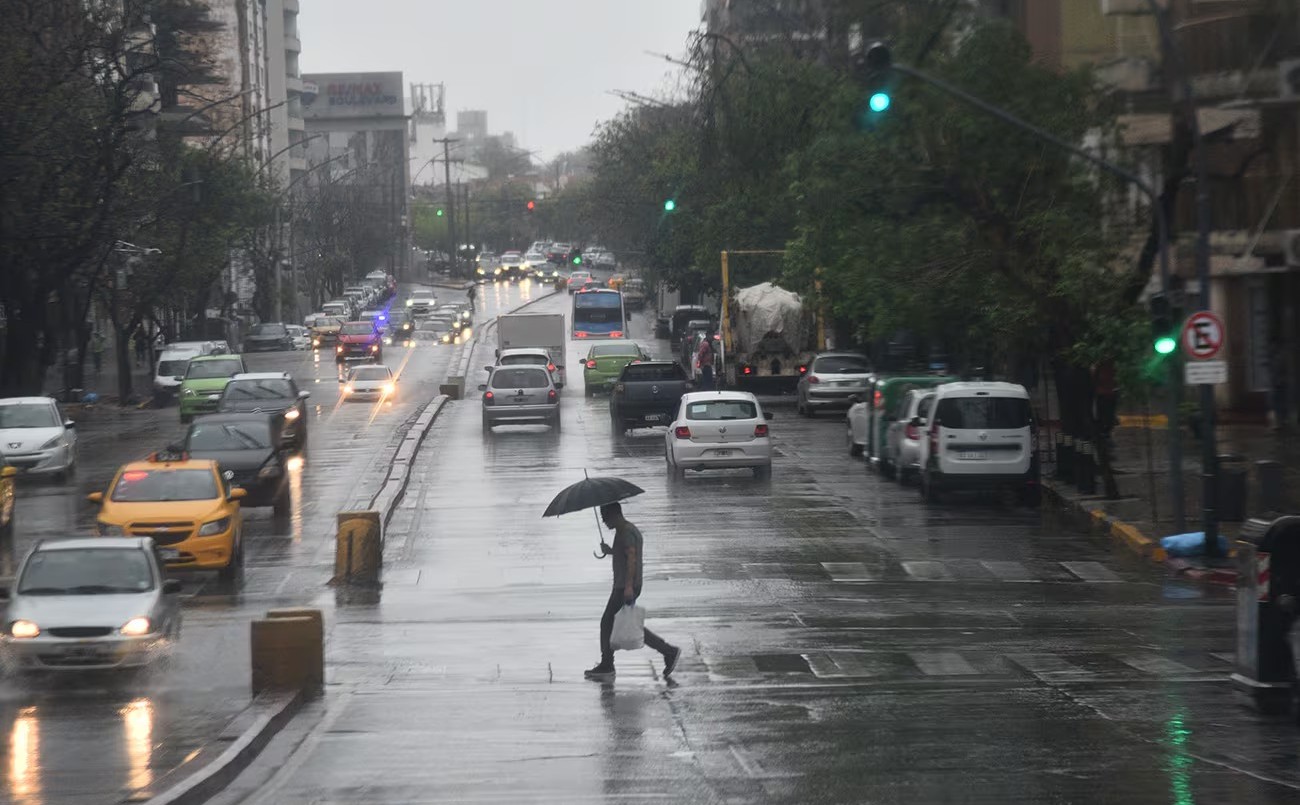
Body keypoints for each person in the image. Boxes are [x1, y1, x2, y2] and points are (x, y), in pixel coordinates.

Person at [585, 503, 681, 680]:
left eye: (605, 517)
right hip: (626, 585)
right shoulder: (627, 531)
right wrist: (611, 551)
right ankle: (667, 651)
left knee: (608, 622)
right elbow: (626, 553)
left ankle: (608, 664)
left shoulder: (626, 532)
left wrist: (628, 586)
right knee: (625, 625)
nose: (604, 521)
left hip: (625, 586)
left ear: (615, 514)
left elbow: (632, 559)